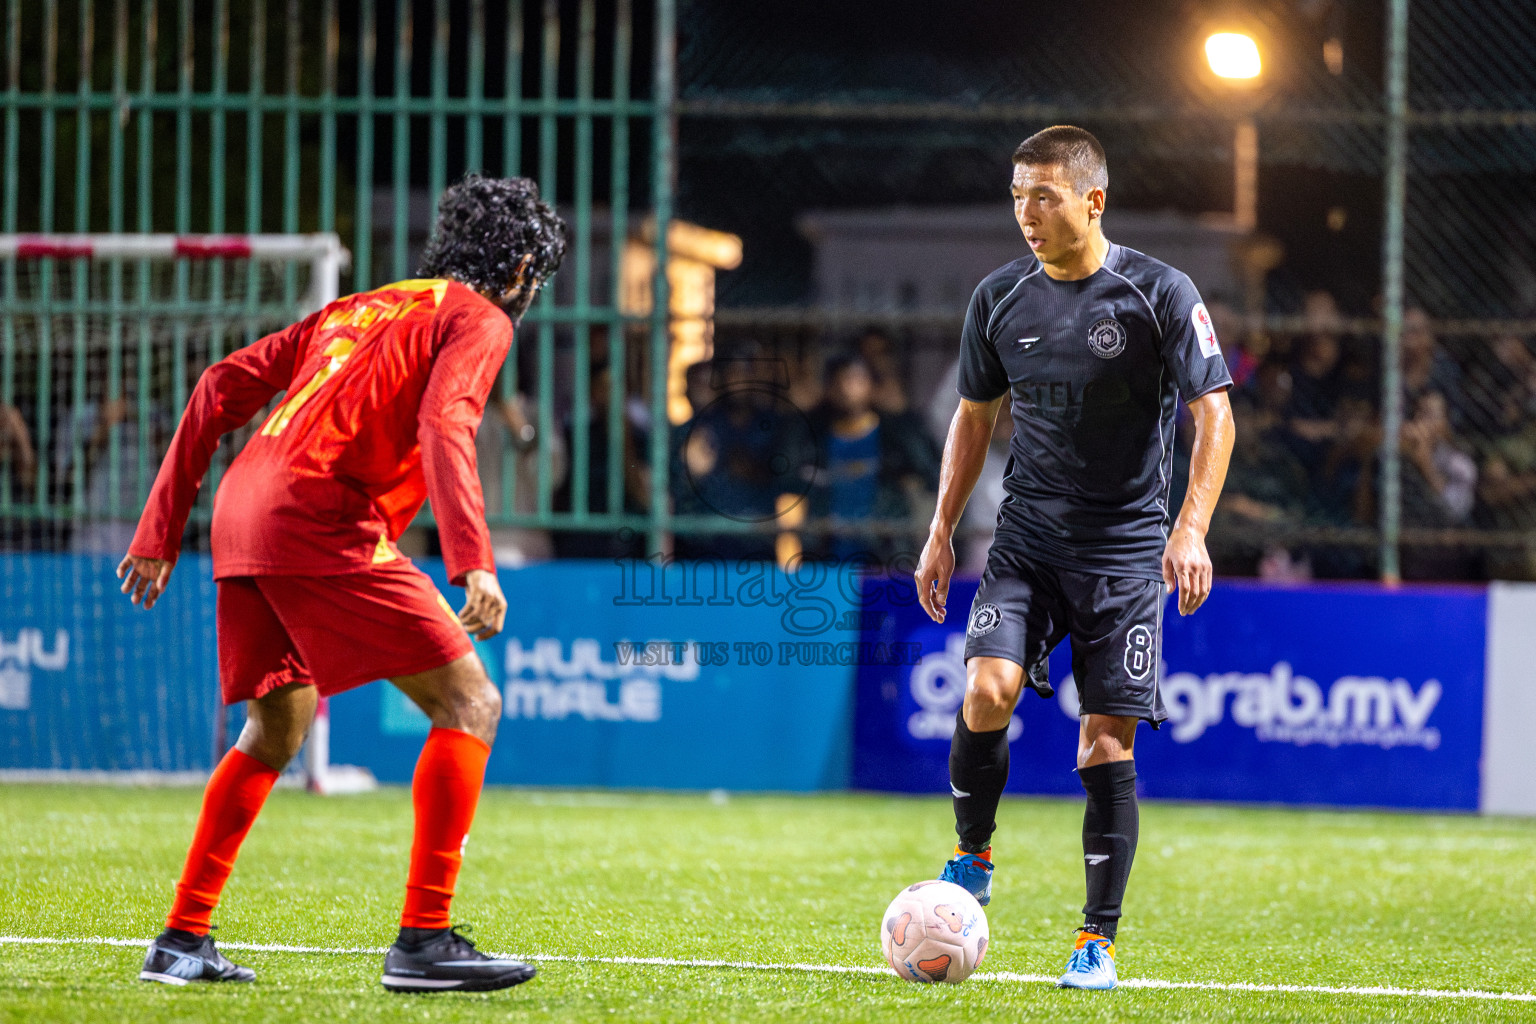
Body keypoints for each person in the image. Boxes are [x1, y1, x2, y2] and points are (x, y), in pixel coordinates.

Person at [116, 174, 566, 993]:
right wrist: (473, 558)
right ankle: (424, 941)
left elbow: (220, 386)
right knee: (471, 703)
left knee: (276, 728)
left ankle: (181, 939)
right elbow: (445, 423)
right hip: (318, 515)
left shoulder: (358, 306)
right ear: (522, 265)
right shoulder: (481, 317)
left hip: (241, 513)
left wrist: (159, 532)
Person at [912, 126, 1234, 991]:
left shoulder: (1158, 292)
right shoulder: (999, 298)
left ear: (1093, 200)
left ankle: (1097, 941)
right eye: (1017, 194)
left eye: (1044, 194)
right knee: (985, 688)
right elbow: (973, 418)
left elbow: (1214, 414)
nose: (1027, 212)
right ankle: (971, 855)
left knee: (1102, 745)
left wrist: (1191, 526)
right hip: (1027, 541)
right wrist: (942, 528)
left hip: (1125, 555)